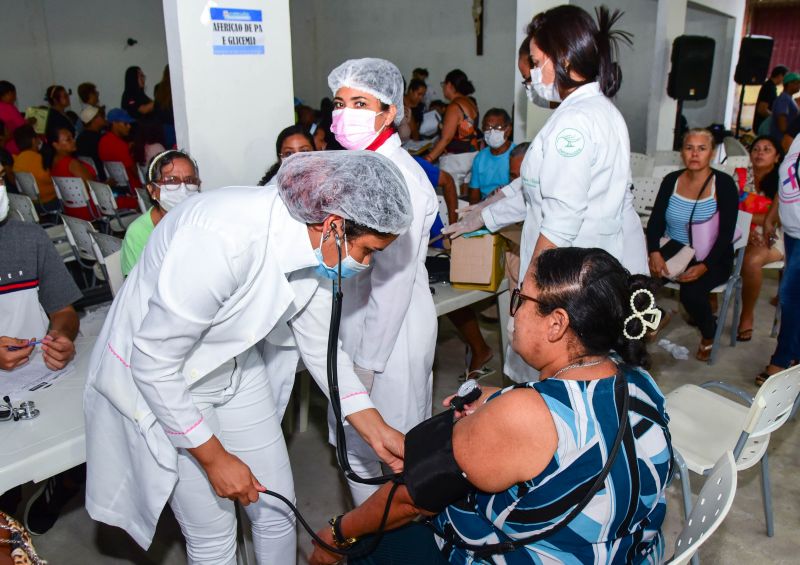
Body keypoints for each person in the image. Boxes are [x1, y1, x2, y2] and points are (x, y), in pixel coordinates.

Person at [84, 151, 412, 564]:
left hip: (235, 363)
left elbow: (319, 347)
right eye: (369, 250)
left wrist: (374, 426)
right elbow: (152, 360)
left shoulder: (317, 250)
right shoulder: (223, 237)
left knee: (275, 509)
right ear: (334, 226)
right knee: (213, 534)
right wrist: (213, 456)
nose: (366, 264)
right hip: (169, 379)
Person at [310, 247, 672, 565]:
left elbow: (411, 501)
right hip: (623, 549)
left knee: (374, 540)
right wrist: (501, 398)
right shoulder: (639, 380)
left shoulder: (522, 415)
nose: (514, 313)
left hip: (547, 556)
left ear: (556, 324)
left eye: (521, 299)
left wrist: (337, 534)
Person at [327, 58, 439, 505]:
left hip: (392, 341)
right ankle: (366, 535)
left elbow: (392, 284)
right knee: (353, 450)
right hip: (355, 323)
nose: (344, 112)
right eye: (339, 102)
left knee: (394, 455)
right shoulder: (360, 166)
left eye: (360, 102)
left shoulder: (401, 178)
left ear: (389, 111)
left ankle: (389, 541)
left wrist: (368, 365)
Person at [0, 165, 84, 535]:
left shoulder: (29, 238)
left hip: (39, 376)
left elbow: (63, 311)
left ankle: (59, 485)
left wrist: (62, 337)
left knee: (74, 440)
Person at [646, 129, 738, 361]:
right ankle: (656, 315)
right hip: (674, 248)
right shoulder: (671, 181)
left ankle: (709, 332)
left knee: (692, 293)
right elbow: (656, 220)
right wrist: (654, 252)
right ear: (682, 153)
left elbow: (726, 234)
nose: (694, 154)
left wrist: (705, 265)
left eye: (701, 148)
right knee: (637, 280)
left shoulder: (724, 184)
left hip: (712, 255)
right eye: (689, 148)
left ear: (712, 153)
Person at [758, 133, 800, 385]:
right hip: (793, 232)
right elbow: (789, 178)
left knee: (791, 295)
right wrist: (772, 214)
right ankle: (793, 355)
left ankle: (782, 359)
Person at [121, 149, 201, 276]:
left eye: (189, 181)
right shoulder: (139, 233)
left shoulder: (202, 220)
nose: (182, 188)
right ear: (152, 190)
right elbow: (138, 286)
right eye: (171, 181)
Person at [737, 136, 785, 341]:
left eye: (767, 149)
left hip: (774, 232)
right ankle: (709, 300)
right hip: (738, 229)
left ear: (777, 157)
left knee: (751, 260)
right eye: (756, 149)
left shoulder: (784, 180)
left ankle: (747, 316)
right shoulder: (739, 176)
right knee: (706, 246)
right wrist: (745, 228)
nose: (760, 153)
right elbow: (727, 209)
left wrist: (748, 221)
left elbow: (780, 217)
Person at [424, 70, 480, 169]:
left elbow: (447, 138)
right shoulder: (470, 102)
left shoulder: (454, 106)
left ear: (449, 85)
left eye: (443, 84)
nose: (443, 88)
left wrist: (428, 159)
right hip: (471, 156)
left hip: (456, 160)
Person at [468, 108, 514, 204]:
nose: (492, 132)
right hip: (486, 207)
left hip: (511, 208)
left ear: (508, 130)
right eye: (488, 128)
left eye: (498, 128)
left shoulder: (517, 155)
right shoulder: (479, 158)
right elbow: (474, 198)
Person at [12, 125, 58, 212]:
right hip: (49, 201)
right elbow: (48, 179)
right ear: (34, 140)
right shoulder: (38, 158)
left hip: (32, 203)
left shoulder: (17, 160)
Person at [98, 108, 142, 188]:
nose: (129, 126)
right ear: (114, 123)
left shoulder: (103, 140)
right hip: (133, 188)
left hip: (117, 186)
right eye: (125, 123)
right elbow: (136, 173)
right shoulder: (120, 145)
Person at [76, 105, 108, 181]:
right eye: (102, 116)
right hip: (103, 180)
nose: (104, 118)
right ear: (94, 120)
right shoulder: (100, 139)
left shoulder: (79, 138)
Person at [753, 65, 788, 134]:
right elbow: (762, 110)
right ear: (780, 75)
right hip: (762, 125)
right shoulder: (769, 87)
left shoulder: (770, 86)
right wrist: (776, 118)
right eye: (785, 77)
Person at [769, 72, 800, 145]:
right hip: (781, 141)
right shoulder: (784, 99)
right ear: (789, 84)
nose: (799, 85)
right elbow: (782, 126)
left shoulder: (789, 98)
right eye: (797, 83)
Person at [0, 81, 26, 154]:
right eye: (14, 94)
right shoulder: (9, 108)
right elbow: (23, 127)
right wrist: (29, 122)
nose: (14, 98)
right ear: (9, 93)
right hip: (15, 148)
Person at [153, 65, 176, 147]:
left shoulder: (158, 87)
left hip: (163, 126)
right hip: (174, 124)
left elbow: (156, 108)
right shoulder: (177, 86)